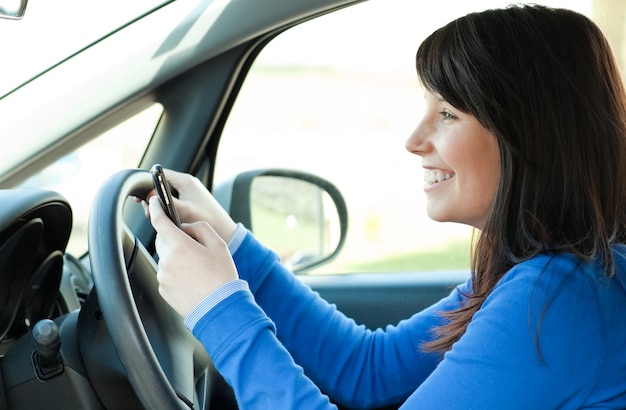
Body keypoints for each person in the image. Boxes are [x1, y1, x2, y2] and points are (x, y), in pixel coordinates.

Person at [144, 4, 626, 409]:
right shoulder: (537, 272)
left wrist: (218, 309)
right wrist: (231, 243)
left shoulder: (561, 296)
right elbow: (367, 369)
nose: (414, 140)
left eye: (447, 113)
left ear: (529, 135)